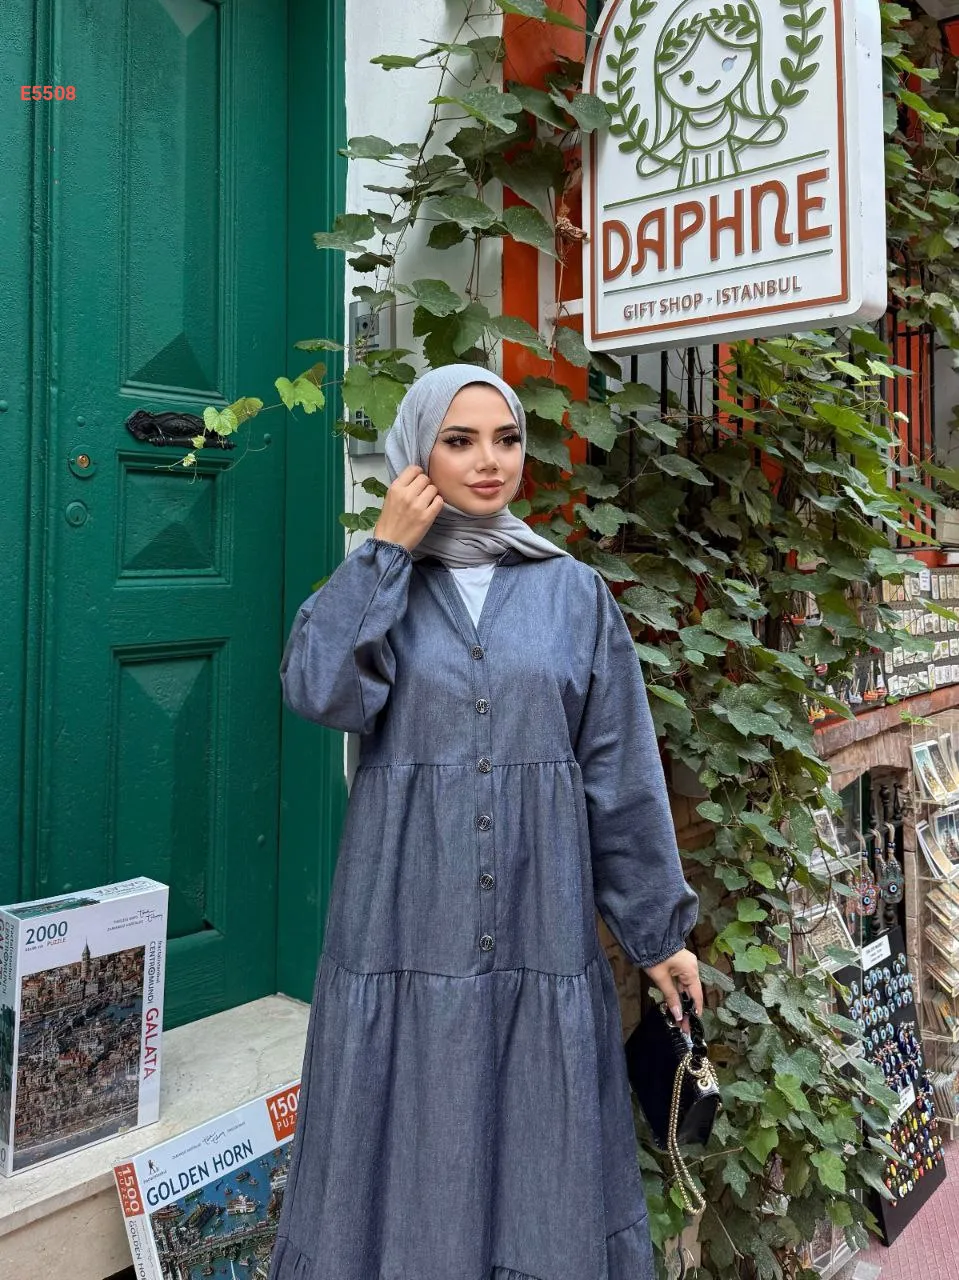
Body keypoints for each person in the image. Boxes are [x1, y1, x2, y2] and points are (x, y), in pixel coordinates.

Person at [268, 363, 702, 1280]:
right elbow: (317, 690)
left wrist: (657, 931)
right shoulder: (379, 584)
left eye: (505, 439)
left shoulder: (571, 593)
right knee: (408, 1141)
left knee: (540, 1150)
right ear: (416, 454)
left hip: (539, 923)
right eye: (458, 441)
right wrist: (383, 551)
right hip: (401, 924)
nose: (488, 461)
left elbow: (617, 770)